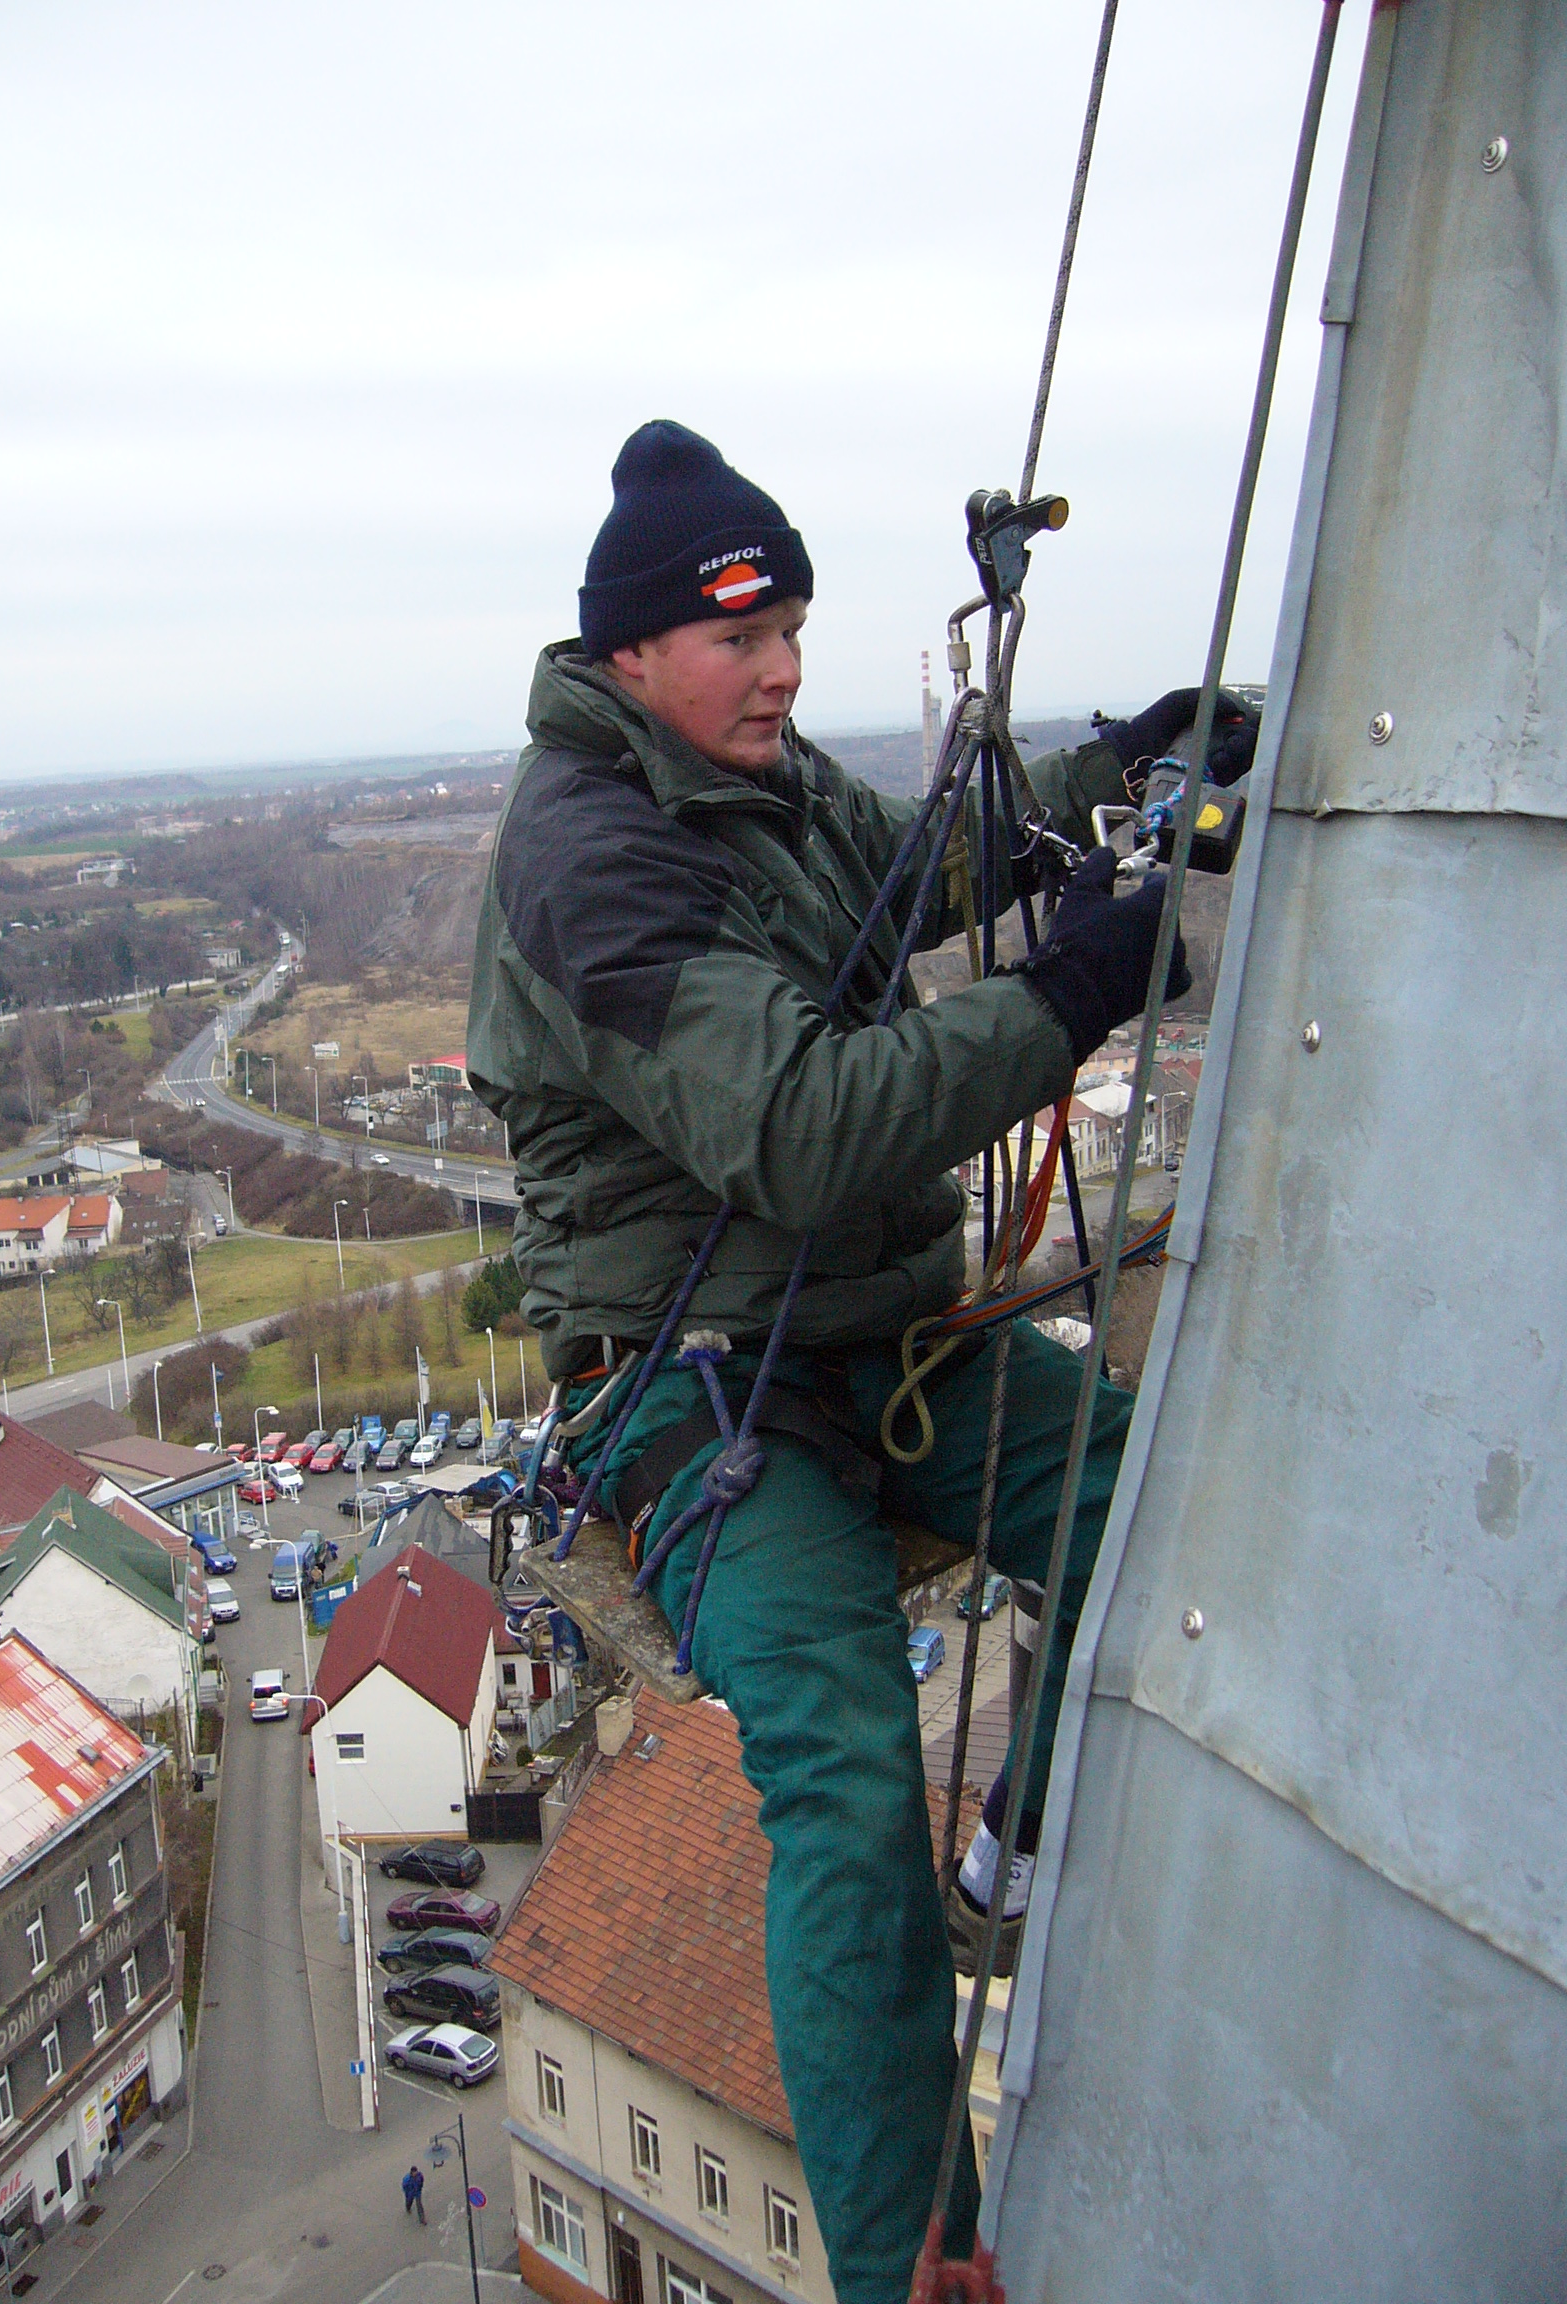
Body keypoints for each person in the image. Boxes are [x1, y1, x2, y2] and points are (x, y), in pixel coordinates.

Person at [467, 421, 1231, 2304]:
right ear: (635, 652)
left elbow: (918, 871)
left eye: (794, 627)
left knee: (1160, 1501)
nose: (785, 668)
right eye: (742, 638)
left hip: (870, 1337)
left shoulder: (768, 783)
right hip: (695, 1387)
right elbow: (805, 1128)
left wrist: (1120, 760)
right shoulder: (591, 860)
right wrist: (1073, 991)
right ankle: (918, 2267)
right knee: (845, 1775)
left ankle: (1023, 1855)